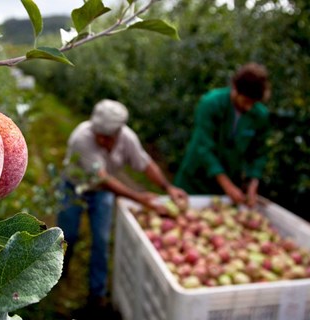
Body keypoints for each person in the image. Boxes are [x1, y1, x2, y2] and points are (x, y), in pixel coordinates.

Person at [57, 99, 187, 315]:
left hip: (101, 193)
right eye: (98, 133)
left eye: (106, 136)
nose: (101, 139)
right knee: (66, 233)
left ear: (118, 132)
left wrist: (168, 187)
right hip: (75, 186)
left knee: (101, 239)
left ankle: (96, 294)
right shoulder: (82, 138)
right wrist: (139, 198)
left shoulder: (127, 139)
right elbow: (103, 179)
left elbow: (145, 164)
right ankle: (58, 269)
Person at [174, 62, 271, 207]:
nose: (248, 107)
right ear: (235, 89)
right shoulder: (211, 103)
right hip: (196, 181)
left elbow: (259, 153)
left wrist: (253, 181)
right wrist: (227, 185)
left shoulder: (260, 115)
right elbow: (204, 147)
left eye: (253, 103)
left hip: (227, 183)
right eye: (245, 101)